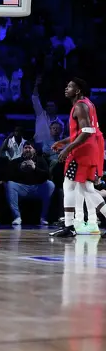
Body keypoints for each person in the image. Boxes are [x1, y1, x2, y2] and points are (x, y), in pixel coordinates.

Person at [51, 78, 105, 237]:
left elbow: (87, 131)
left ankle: (69, 226)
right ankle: (70, 226)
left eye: (70, 87)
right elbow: (81, 132)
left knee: (72, 186)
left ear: (78, 90)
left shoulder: (80, 106)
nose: (66, 89)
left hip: (83, 151)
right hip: (90, 149)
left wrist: (68, 148)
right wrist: (63, 141)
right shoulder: (87, 103)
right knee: (85, 188)